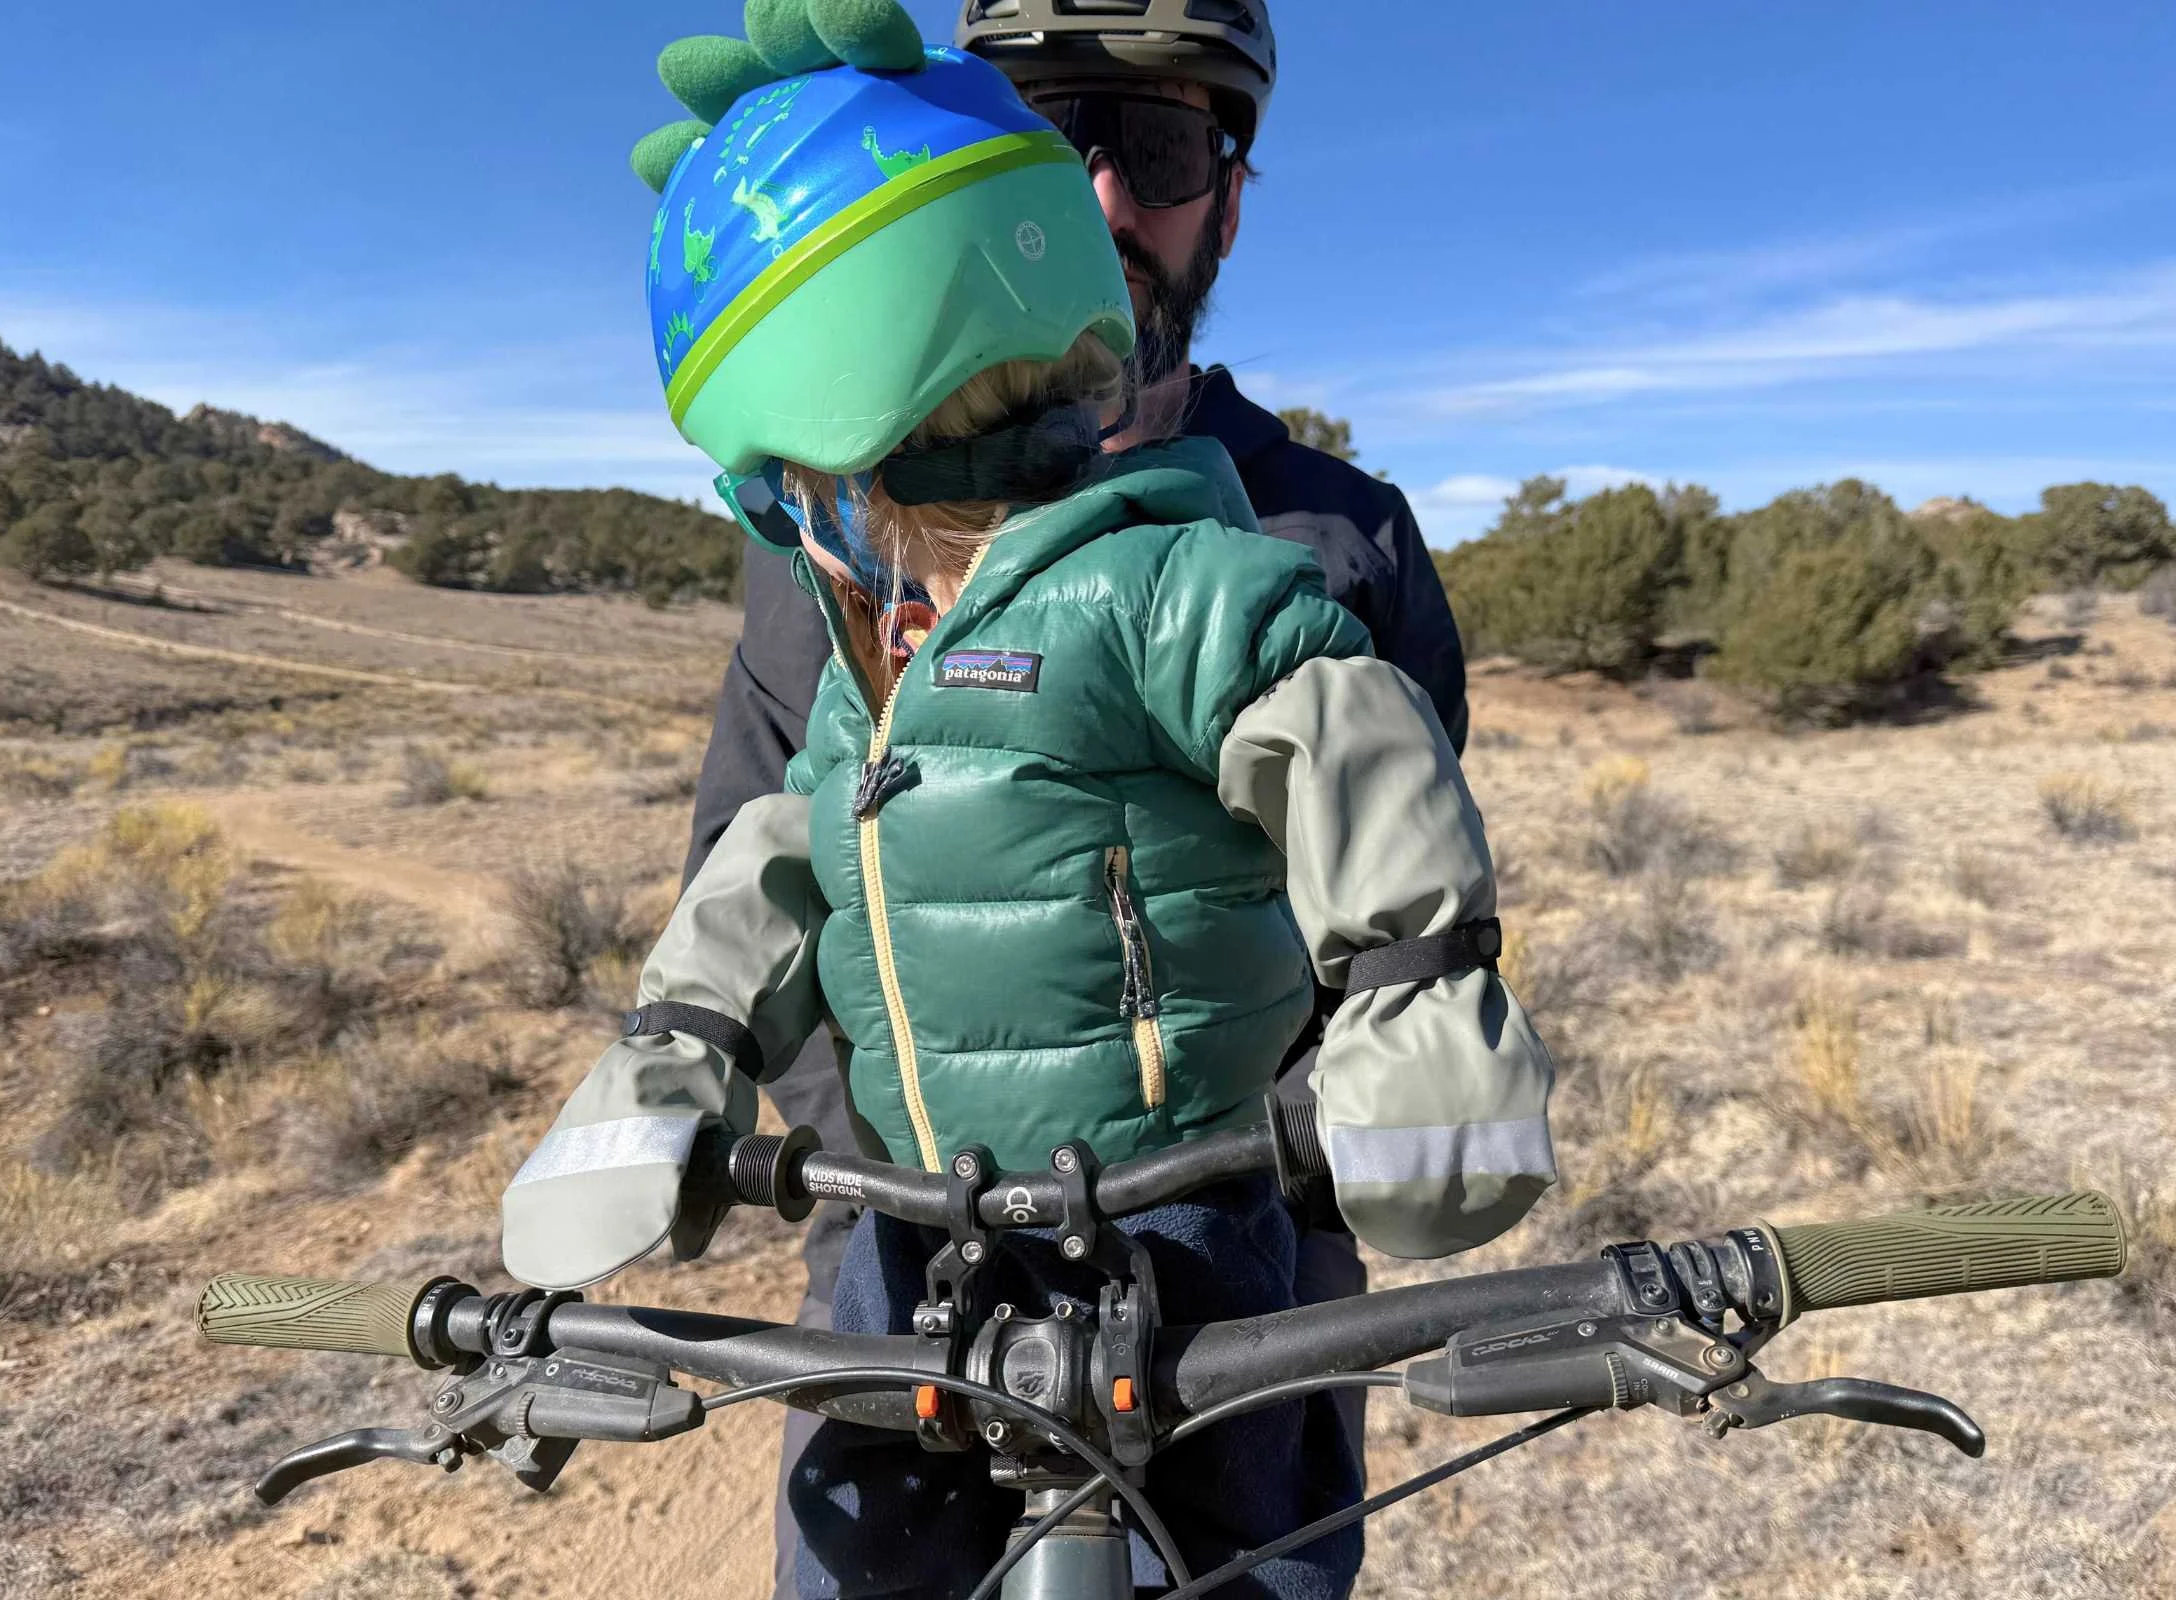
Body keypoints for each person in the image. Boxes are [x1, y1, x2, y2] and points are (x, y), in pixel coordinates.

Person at [502, 4, 1556, 1595]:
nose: (1115, 192)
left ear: (1233, 188)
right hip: (900, 1234)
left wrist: (1383, 1067)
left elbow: (1396, 846)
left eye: (1171, 143)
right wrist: (719, 1080)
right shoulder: (816, 561)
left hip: (1232, 1250)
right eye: (1060, 126)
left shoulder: (1331, 537)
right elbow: (781, 838)